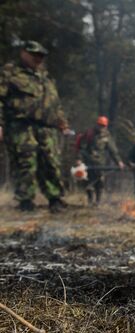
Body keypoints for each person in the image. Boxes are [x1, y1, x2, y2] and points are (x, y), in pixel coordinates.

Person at [0, 40, 72, 212]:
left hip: (46, 128)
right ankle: (25, 201)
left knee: (51, 162)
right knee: (26, 163)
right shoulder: (10, 73)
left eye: (41, 56)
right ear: (23, 53)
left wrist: (62, 123)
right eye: (34, 55)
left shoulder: (45, 77)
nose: (38, 59)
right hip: (21, 127)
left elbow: (55, 104)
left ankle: (55, 199)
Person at [77, 115, 124, 205]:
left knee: (100, 182)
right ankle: (90, 201)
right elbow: (81, 148)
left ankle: (98, 201)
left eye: (103, 126)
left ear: (106, 126)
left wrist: (119, 162)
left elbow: (113, 151)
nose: (101, 127)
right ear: (97, 124)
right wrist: (79, 159)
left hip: (100, 164)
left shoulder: (107, 136)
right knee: (88, 183)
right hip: (88, 162)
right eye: (100, 125)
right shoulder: (89, 133)